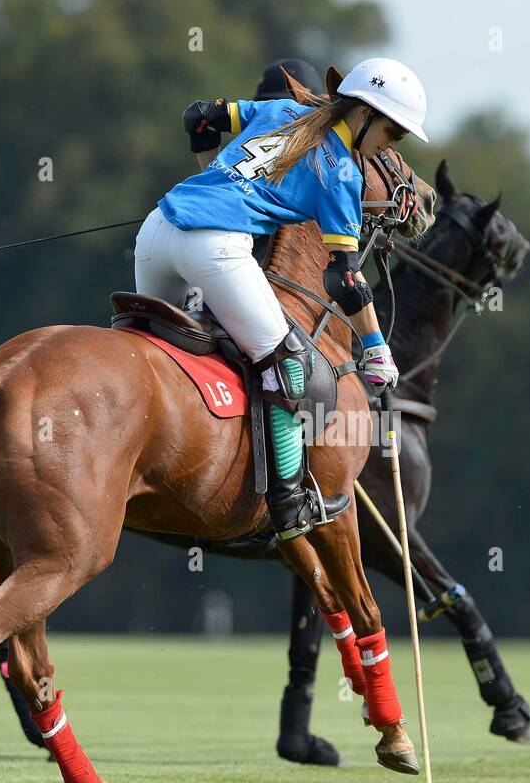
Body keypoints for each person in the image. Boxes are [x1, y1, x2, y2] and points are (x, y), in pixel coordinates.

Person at [134, 57, 428, 539]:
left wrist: (218, 182)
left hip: (156, 232)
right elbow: (345, 279)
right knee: (289, 363)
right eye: (393, 136)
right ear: (366, 115)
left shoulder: (281, 112)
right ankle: (289, 501)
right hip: (213, 247)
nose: (388, 147)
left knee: (157, 358)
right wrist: (375, 348)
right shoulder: (342, 176)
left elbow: (200, 114)